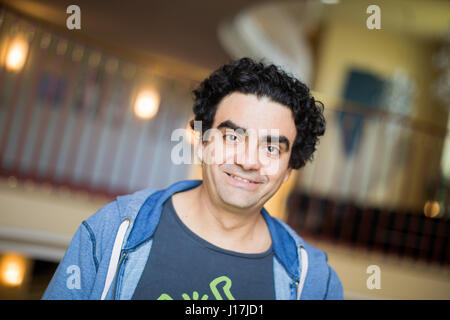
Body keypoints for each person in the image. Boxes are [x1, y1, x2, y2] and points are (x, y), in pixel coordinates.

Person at [43, 57, 343, 300]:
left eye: (270, 147)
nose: (248, 161)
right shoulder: (112, 231)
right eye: (233, 137)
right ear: (202, 142)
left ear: (289, 168)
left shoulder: (313, 281)